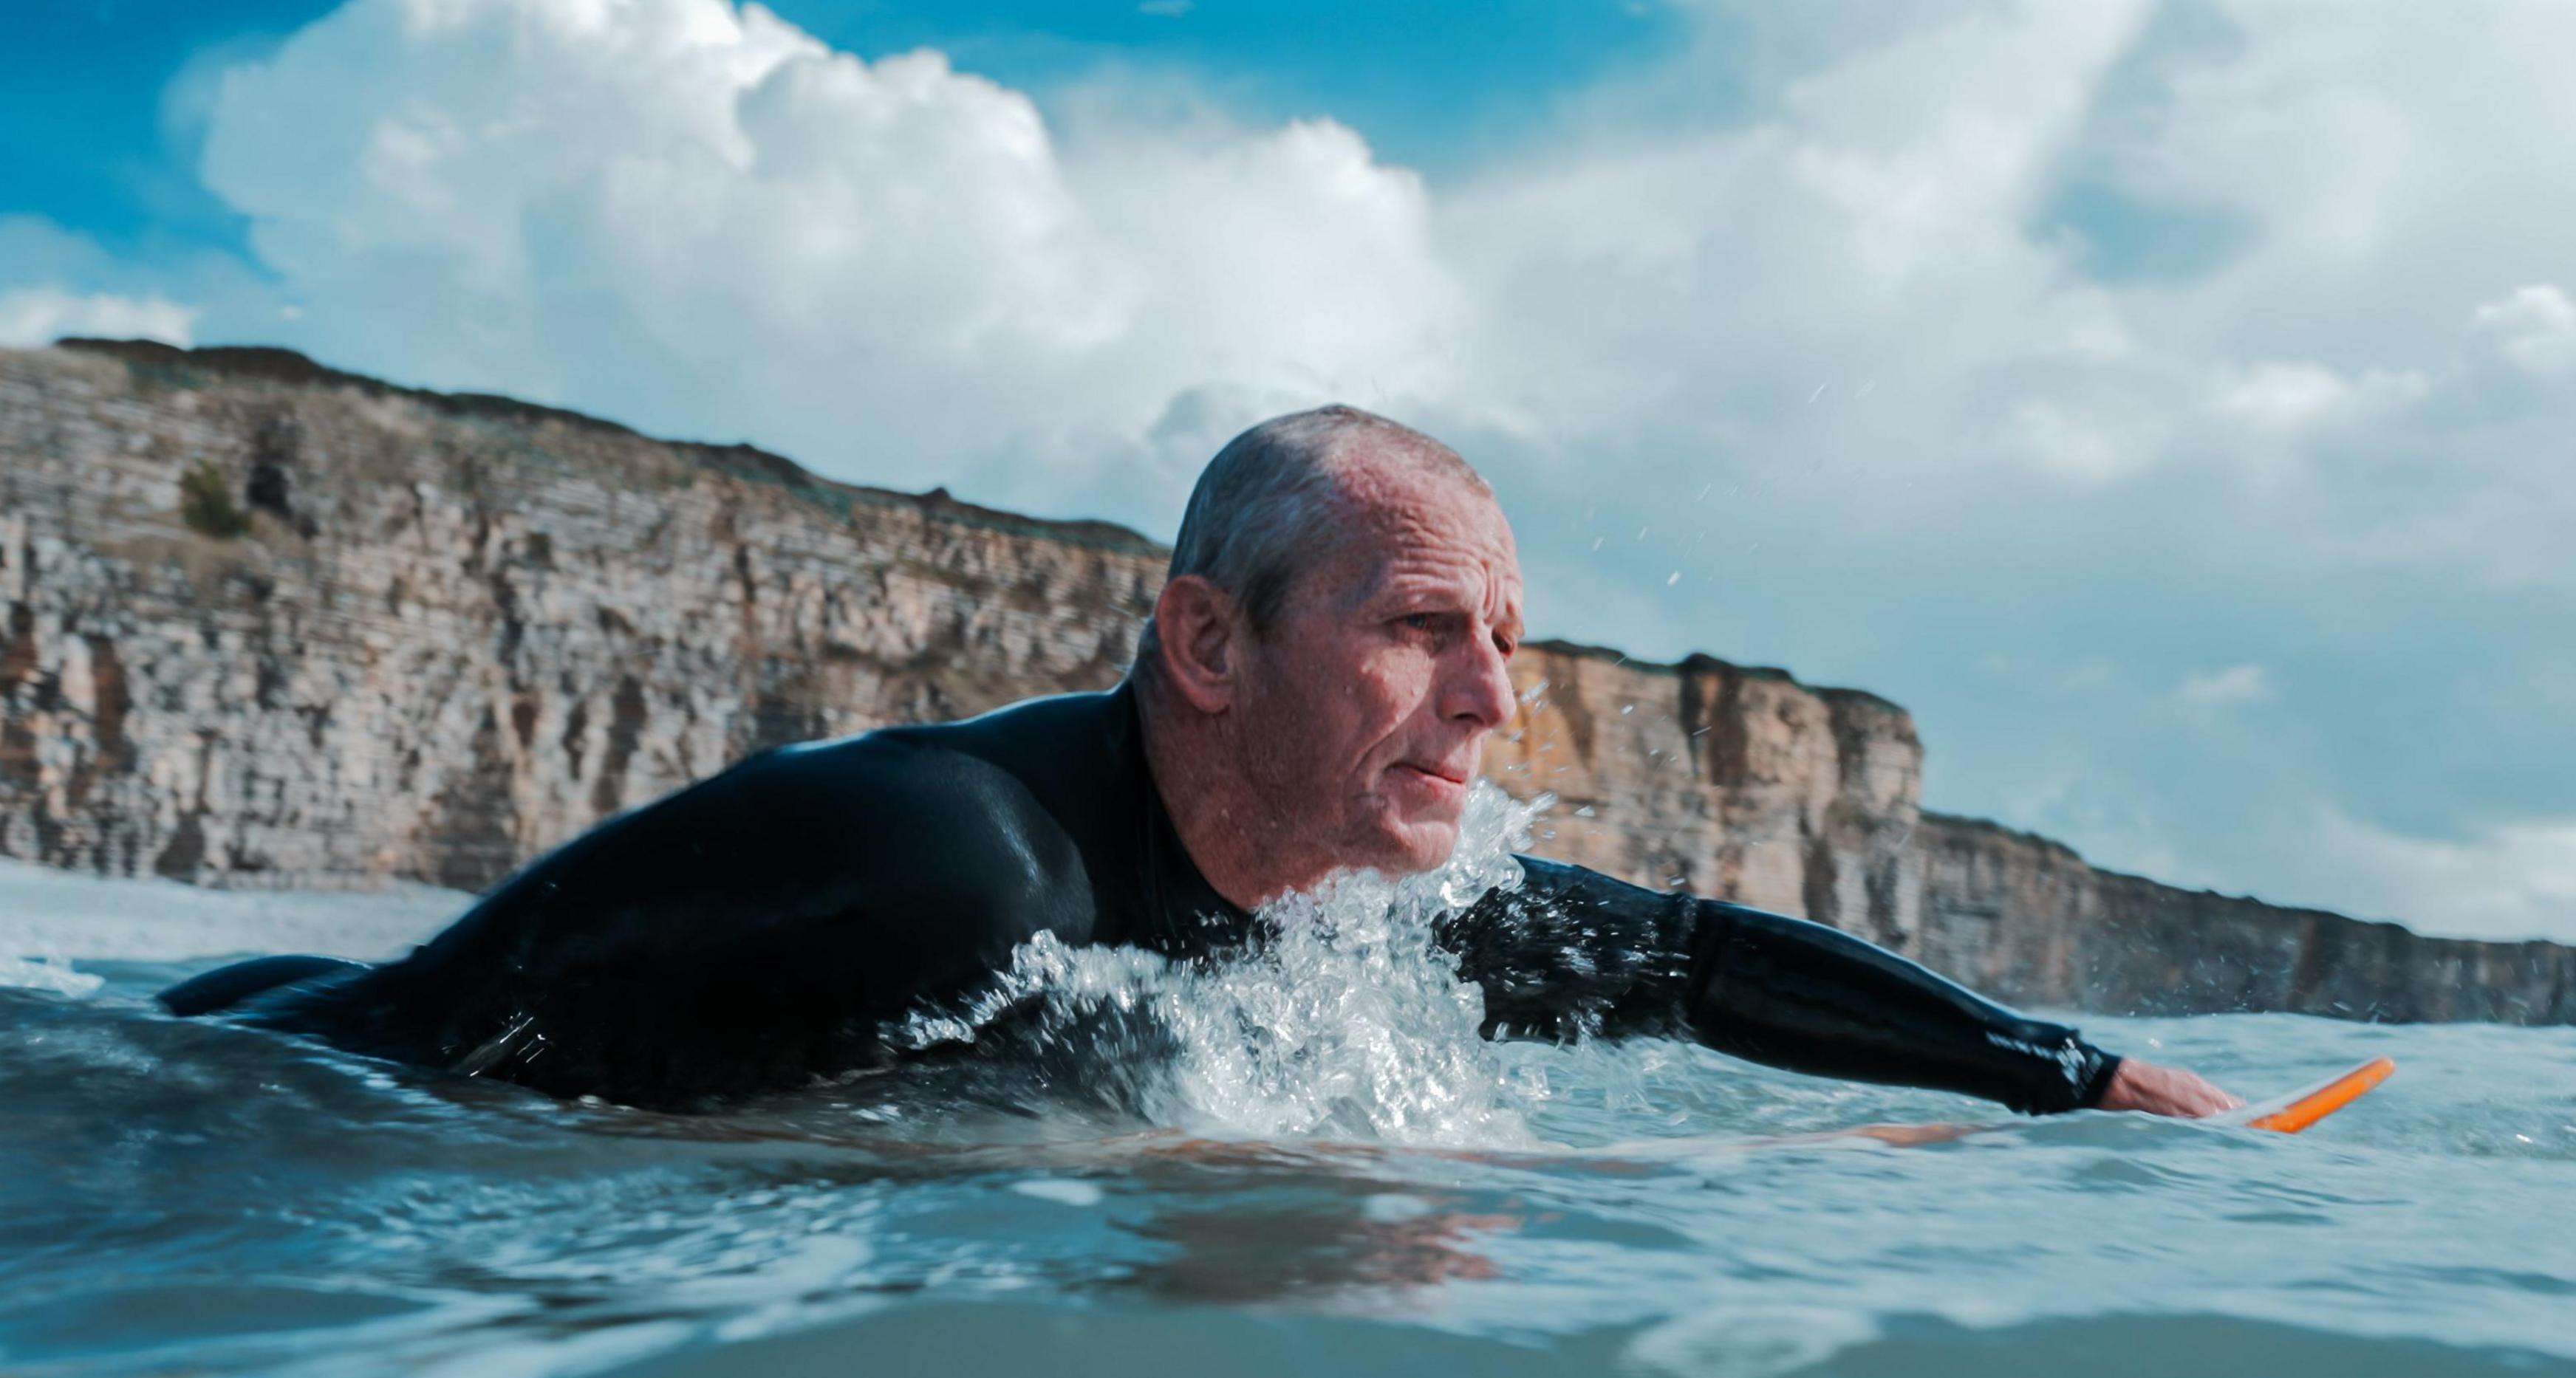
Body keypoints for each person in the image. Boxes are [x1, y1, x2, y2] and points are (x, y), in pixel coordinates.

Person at [163, 407, 2239, 1120]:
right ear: (1208, 645)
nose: (1495, 704)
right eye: (1428, 627)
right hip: (240, 1097)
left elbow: (1687, 965)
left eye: (1508, 643)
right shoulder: (946, 876)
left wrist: (2066, 1080)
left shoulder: (1351, 910)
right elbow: (486, 1125)